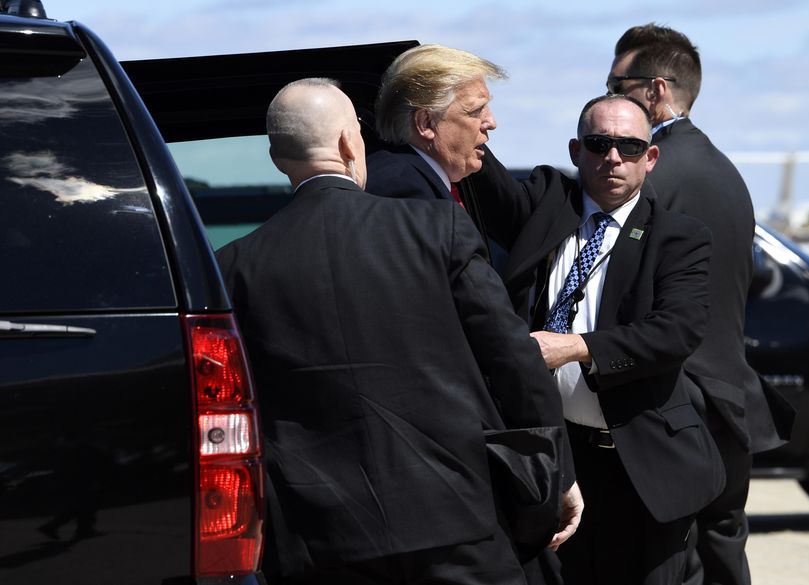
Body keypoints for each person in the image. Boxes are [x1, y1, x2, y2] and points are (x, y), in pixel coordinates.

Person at [216, 78, 581, 585]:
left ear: (279, 159)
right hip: (457, 518)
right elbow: (513, 360)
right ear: (349, 143)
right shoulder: (437, 229)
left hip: (321, 539)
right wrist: (556, 477)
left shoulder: (232, 267)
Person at [469, 94, 726, 585]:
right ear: (575, 150)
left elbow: (677, 331)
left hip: (645, 461)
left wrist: (576, 346)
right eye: (598, 143)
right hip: (562, 458)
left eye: (630, 147)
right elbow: (483, 174)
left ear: (650, 158)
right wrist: (454, 108)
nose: (613, 158)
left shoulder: (677, 236)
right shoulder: (544, 204)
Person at [608, 24, 796, 585]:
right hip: (729, 403)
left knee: (668, 563)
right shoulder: (724, 170)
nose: (609, 97)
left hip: (673, 407)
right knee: (721, 553)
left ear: (656, 91)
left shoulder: (655, 172)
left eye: (618, 84)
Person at [366, 44, 505, 264]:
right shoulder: (404, 192)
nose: (491, 123)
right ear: (426, 123)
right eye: (476, 111)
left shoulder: (410, 177)